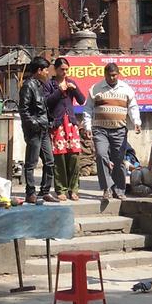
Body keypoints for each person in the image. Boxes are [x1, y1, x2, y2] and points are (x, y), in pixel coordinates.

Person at [87, 62, 141, 200]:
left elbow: (133, 107)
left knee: (119, 160)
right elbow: (88, 109)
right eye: (110, 75)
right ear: (105, 74)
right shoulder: (95, 89)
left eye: (115, 75)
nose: (112, 78)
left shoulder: (126, 89)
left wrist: (136, 122)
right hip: (100, 129)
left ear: (118, 74)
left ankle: (119, 189)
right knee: (101, 155)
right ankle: (106, 188)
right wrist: (87, 126)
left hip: (119, 130)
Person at [44, 57, 86, 201]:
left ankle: (73, 189)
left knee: (74, 156)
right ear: (55, 70)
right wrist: (60, 91)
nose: (64, 72)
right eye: (62, 69)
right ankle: (60, 189)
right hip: (58, 125)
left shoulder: (71, 82)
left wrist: (75, 89)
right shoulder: (50, 84)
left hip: (71, 124)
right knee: (60, 157)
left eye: (67, 70)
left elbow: (82, 100)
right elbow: (47, 102)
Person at [19, 56, 59, 203]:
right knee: (31, 162)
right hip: (34, 130)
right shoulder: (28, 86)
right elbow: (24, 110)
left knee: (49, 161)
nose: (48, 72)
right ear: (39, 70)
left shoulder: (41, 85)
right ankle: (30, 193)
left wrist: (49, 121)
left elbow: (44, 107)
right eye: (46, 69)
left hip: (44, 129)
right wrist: (35, 124)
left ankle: (45, 191)